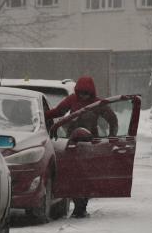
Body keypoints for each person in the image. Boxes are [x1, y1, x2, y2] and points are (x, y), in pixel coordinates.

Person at [45, 76, 118, 218]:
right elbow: (59, 112)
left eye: (87, 93)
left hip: (91, 145)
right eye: (81, 92)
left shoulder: (98, 104)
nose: (84, 96)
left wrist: (112, 137)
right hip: (72, 144)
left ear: (92, 92)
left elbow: (112, 119)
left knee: (86, 177)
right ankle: (78, 205)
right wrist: (43, 115)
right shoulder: (72, 100)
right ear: (77, 91)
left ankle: (81, 206)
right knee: (73, 176)